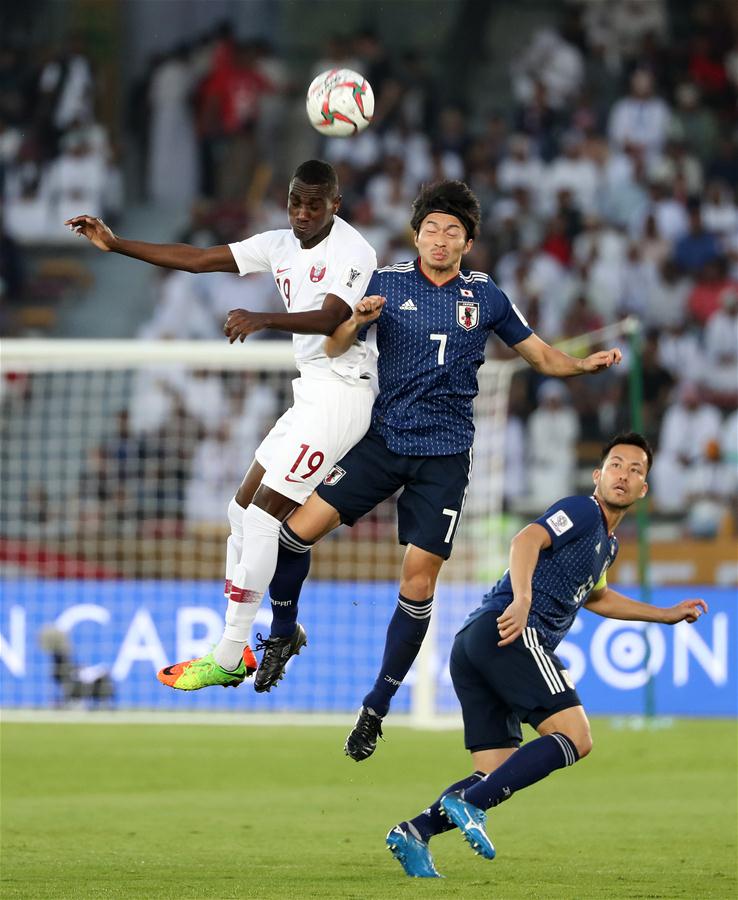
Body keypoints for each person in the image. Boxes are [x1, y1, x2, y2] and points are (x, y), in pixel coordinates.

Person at [225, 180, 623, 757]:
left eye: (452, 231)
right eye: (432, 228)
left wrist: (582, 366)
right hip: (382, 441)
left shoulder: (485, 296)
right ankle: (283, 632)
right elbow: (335, 347)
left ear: (467, 242)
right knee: (291, 531)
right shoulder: (384, 282)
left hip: (444, 458)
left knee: (417, 583)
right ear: (417, 235)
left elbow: (536, 354)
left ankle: (375, 708)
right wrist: (356, 321)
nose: (440, 239)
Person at [65, 159, 379, 690]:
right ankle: (251, 640)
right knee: (240, 509)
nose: (303, 214)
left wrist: (263, 319)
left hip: (344, 395)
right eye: (296, 202)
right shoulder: (279, 245)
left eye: (315, 204)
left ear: (335, 205)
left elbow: (332, 318)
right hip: (311, 393)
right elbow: (198, 258)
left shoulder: (354, 250)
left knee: (263, 520)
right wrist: (117, 244)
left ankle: (232, 651)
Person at [385, 432, 708, 878]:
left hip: (475, 644)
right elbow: (525, 540)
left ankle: (415, 832)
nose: (624, 475)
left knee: (496, 771)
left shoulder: (607, 545)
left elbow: (598, 598)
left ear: (644, 489)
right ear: (598, 475)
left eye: (636, 470)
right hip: (511, 630)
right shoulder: (581, 510)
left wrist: (664, 614)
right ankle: (470, 805)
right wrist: (521, 599)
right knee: (577, 736)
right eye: (616, 464)